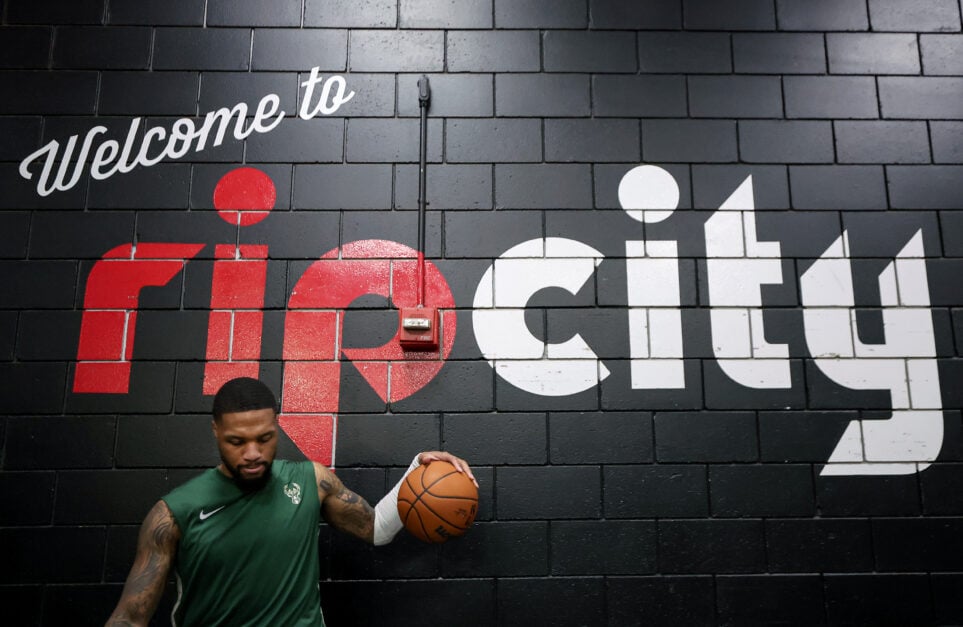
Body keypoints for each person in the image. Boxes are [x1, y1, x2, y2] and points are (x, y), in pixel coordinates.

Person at [105, 377, 475, 626]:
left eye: (264, 438)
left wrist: (419, 471)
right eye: (237, 442)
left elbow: (376, 528)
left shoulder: (311, 481)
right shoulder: (173, 514)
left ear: (276, 425)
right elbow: (131, 618)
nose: (253, 453)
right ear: (216, 431)